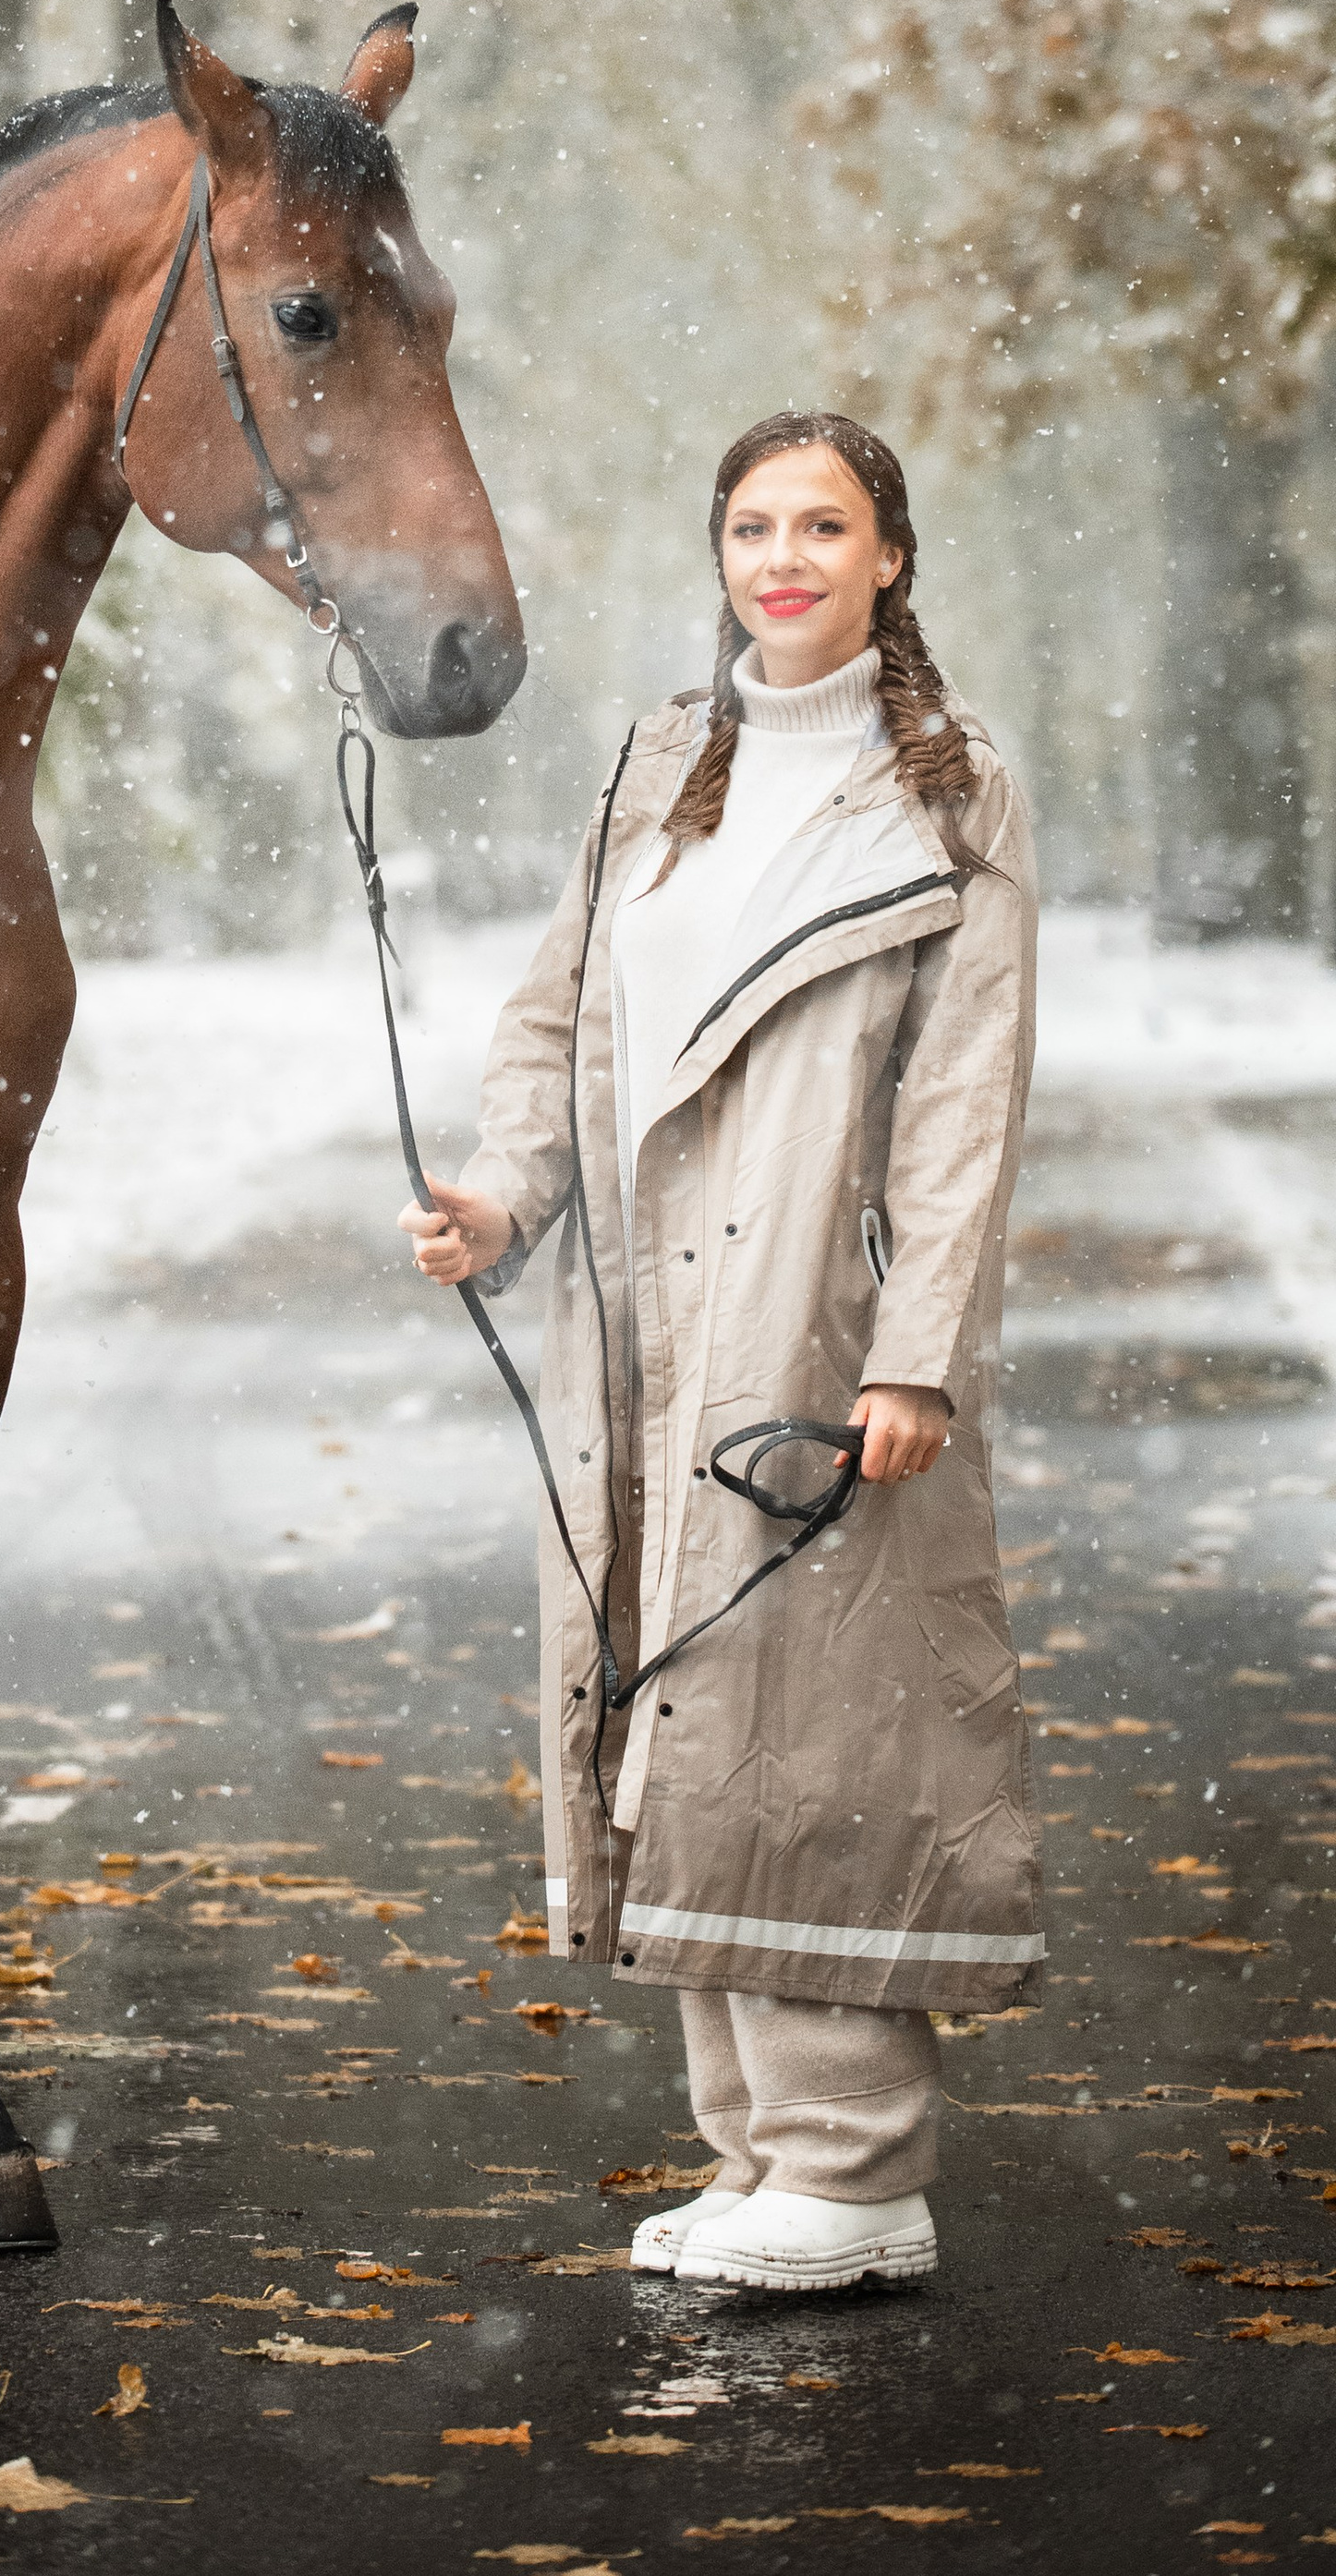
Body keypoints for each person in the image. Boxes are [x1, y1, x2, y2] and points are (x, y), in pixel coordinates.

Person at [401, 410, 1042, 2293]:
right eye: (751, 525)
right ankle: (754, 2154)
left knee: (815, 1726)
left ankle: (853, 2168)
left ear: (885, 556)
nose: (781, 555)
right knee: (672, 1708)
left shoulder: (949, 781)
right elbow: (557, 1019)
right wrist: (503, 1198)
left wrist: (914, 1349)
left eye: (820, 524)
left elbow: (961, 1094)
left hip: (811, 1318)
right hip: (638, 1314)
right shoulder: (659, 759)